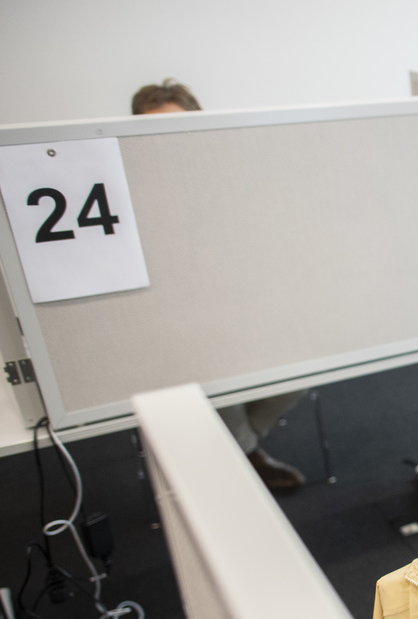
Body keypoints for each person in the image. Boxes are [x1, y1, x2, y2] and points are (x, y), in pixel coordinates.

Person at [131, 79, 309, 492]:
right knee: (217, 385)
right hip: (172, 329)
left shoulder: (225, 182)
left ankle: (237, 451)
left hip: (238, 314)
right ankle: (246, 463)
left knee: (298, 375)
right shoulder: (128, 197)